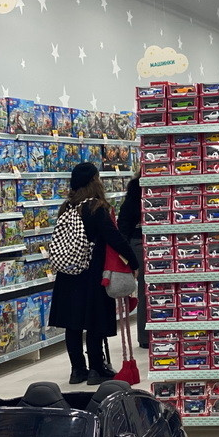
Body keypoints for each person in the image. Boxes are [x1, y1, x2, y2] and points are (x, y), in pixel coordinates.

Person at [49, 163, 139, 385]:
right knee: (94, 322)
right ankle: (96, 369)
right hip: (91, 273)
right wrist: (133, 261)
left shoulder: (67, 207)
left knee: (72, 324)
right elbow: (114, 237)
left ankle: (77, 370)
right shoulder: (95, 207)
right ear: (93, 181)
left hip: (68, 272)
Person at [117, 171, 147, 349]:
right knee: (147, 289)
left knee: (146, 290)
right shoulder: (138, 189)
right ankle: (146, 337)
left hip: (138, 241)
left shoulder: (134, 189)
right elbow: (124, 223)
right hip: (142, 242)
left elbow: (123, 223)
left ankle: (146, 337)